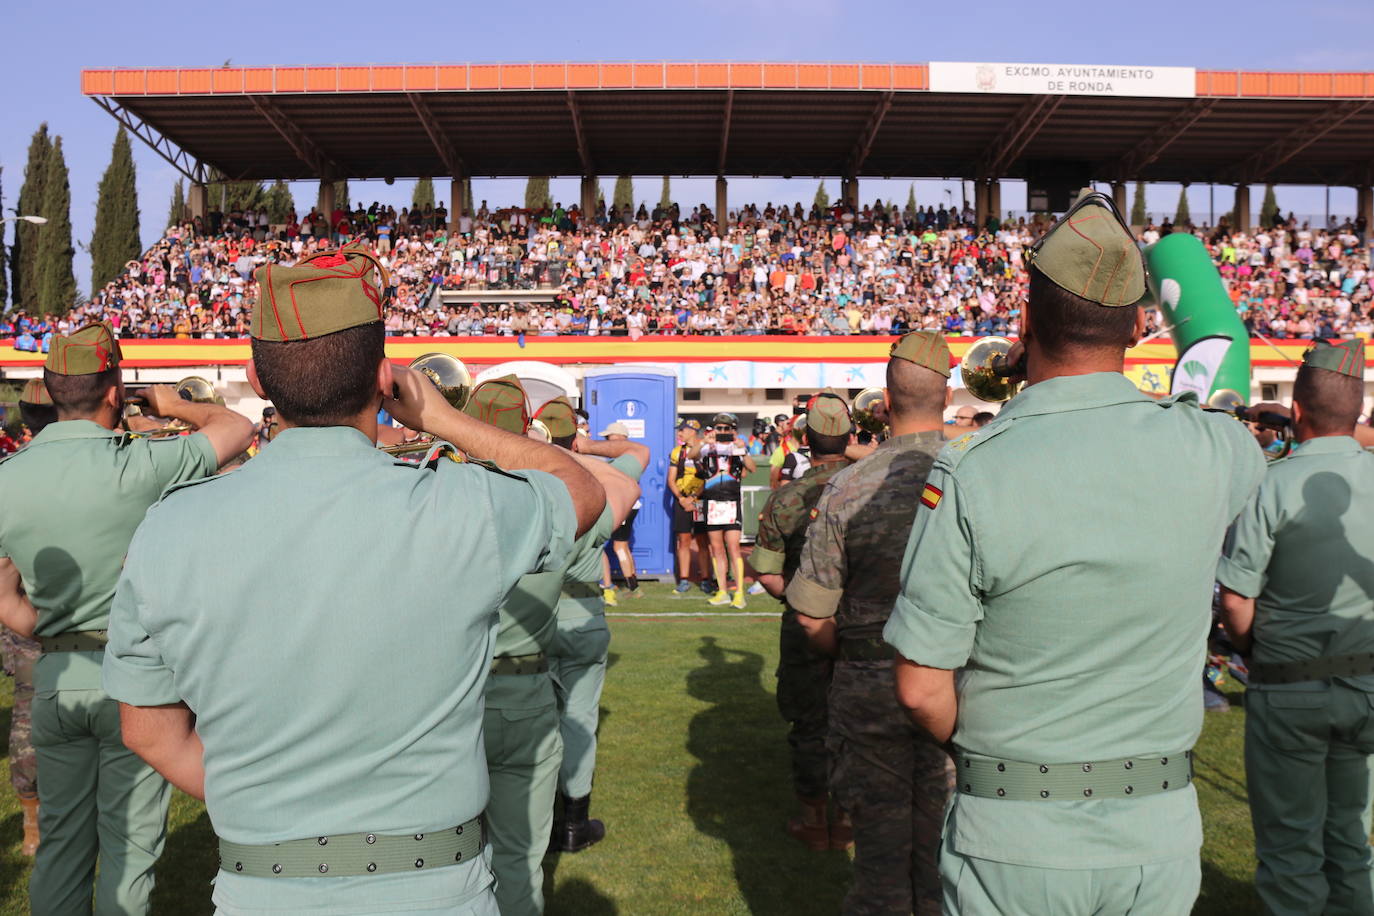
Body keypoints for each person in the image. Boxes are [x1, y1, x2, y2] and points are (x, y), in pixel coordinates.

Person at [100, 248, 606, 915]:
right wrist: (443, 419)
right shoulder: (457, 506)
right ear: (384, 376)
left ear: (256, 378)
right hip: (438, 887)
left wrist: (265, 802)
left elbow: (149, 732)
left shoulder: (169, 527)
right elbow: (581, 488)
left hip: (262, 885)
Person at [882, 191, 1265, 914]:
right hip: (1157, 829)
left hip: (1013, 824)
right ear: (1141, 326)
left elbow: (920, 686)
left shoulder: (973, 468)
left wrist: (994, 749)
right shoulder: (1219, 449)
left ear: (1024, 326)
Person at [0, 322, 252, 914]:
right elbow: (239, 428)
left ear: (48, 386)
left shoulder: (8, 477)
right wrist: (173, 403)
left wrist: (60, 632)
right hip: (134, 679)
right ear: (115, 389)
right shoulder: (140, 463)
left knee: (60, 842)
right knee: (129, 850)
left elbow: (6, 599)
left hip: (56, 679)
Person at [786, 330, 958, 915]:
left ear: (885, 402)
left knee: (881, 861)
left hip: (868, 683)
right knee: (949, 852)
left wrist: (858, 656)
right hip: (957, 685)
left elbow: (811, 616)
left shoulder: (847, 485)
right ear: (948, 397)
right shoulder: (977, 474)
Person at [463, 376, 640, 916]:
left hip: (454, 695)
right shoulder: (550, 501)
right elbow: (629, 480)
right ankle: (574, 818)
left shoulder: (437, 495)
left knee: (451, 856)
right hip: (524, 688)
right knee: (519, 859)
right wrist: (558, 452)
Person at [1218, 339, 1374, 915]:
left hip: (1288, 685)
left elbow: (1236, 600)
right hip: (1366, 685)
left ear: (1299, 411)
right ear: (1356, 412)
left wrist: (1254, 649)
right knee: (1351, 843)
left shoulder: (1270, 482)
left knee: (1290, 850)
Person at [538, 398, 650, 853]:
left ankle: (535, 816)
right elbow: (638, 455)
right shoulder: (594, 476)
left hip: (535, 616)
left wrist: (553, 451)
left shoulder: (529, 477)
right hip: (583, 614)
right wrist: (580, 450)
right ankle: (574, 822)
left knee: (531, 718)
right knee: (580, 719)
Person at [749, 395, 855, 851]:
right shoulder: (870, 486)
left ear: (805, 441)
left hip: (804, 624)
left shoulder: (785, 496)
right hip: (864, 627)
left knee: (810, 725)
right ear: (850, 438)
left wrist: (803, 601)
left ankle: (814, 821)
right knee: (859, 723)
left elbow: (768, 574)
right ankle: (849, 818)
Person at [1, 377, 56, 856]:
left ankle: (33, 823)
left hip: (18, 610)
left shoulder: (9, 471)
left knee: (28, 717)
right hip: (68, 612)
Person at [691, 412, 757, 607]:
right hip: (711, 502)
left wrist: (742, 449)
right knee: (717, 548)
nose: (722, 432)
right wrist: (703, 441)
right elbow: (691, 455)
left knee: (734, 548)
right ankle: (722, 591)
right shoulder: (706, 447)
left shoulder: (737, 447)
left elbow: (752, 468)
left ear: (733, 430)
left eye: (726, 429)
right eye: (719, 428)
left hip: (731, 502)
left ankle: (739, 593)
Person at [598, 421, 642, 600]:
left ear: (620, 438)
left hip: (625, 505)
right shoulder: (629, 456)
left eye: (610, 436)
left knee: (619, 546)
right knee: (622, 545)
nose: (607, 439)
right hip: (629, 504)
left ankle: (633, 587)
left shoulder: (623, 458)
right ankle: (634, 585)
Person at [668, 419, 711, 595]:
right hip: (682, 501)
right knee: (683, 540)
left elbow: (709, 478)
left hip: (699, 501)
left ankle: (706, 580)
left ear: (693, 431)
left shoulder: (706, 450)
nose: (679, 433)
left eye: (682, 430)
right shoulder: (677, 452)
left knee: (702, 541)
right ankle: (684, 580)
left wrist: (694, 498)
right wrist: (681, 498)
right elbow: (671, 480)